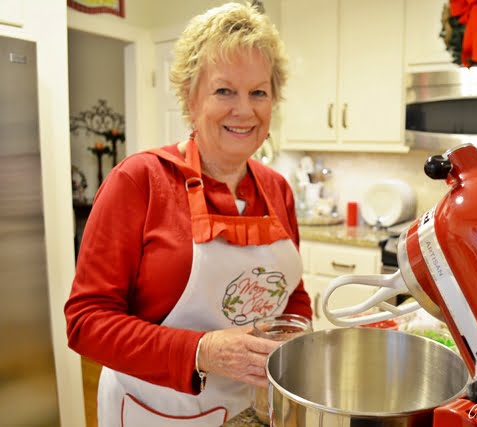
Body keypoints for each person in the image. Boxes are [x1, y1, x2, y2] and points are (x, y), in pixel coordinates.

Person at [64, 3, 312, 426]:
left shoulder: (276, 189)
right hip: (157, 411)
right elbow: (86, 322)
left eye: (258, 92)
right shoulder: (139, 181)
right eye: (223, 91)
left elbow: (291, 295)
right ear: (189, 97)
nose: (244, 110)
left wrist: (296, 339)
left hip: (252, 411)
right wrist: (202, 352)